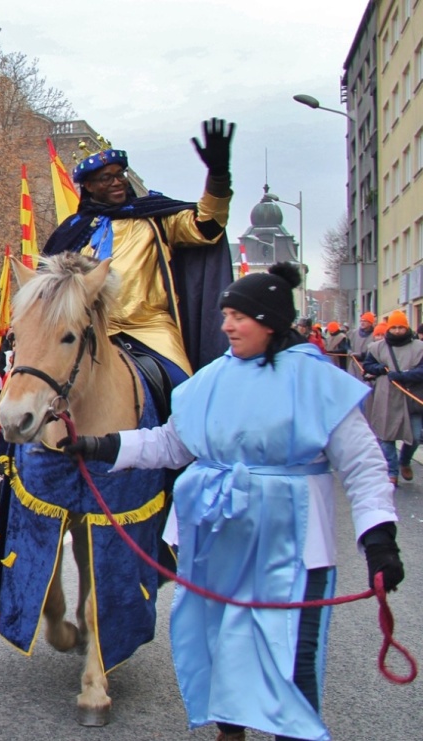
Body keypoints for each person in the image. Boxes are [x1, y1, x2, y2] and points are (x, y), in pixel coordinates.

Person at [66, 263, 403, 741]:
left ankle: (295, 732)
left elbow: (364, 466)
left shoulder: (317, 380)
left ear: (269, 321)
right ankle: (231, 730)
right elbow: (172, 444)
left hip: (296, 546)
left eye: (238, 316)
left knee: (291, 651)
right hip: (215, 543)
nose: (226, 325)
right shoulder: (212, 379)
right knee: (220, 640)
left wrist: (380, 540)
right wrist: (103, 446)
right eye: (225, 314)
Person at [44, 119, 236, 386]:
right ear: (88, 186)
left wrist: (217, 176)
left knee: (186, 389)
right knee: (34, 386)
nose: (117, 182)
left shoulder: (155, 219)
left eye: (120, 174)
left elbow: (207, 226)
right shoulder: (71, 232)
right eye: (106, 178)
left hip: (148, 328)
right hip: (86, 332)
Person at [360, 309, 423, 486]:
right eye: (393, 327)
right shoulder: (377, 348)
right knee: (386, 436)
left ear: (406, 328)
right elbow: (368, 366)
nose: (396, 331)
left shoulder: (419, 348)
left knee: (416, 436)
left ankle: (405, 461)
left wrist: (403, 375)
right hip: (386, 397)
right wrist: (380, 369)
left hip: (411, 398)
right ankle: (392, 471)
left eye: (400, 327)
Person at [348, 311, 377, 379]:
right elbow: (347, 345)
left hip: (366, 365)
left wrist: (362, 355)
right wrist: (349, 351)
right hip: (354, 364)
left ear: (370, 323)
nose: (362, 323)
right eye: (361, 321)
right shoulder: (354, 333)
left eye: (365, 321)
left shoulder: (375, 335)